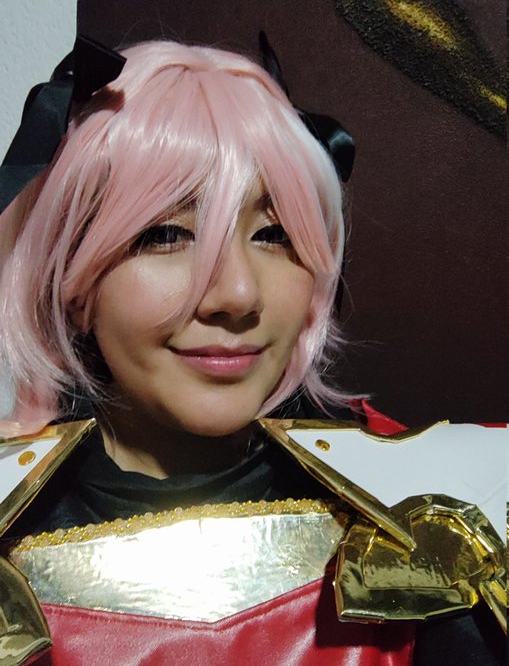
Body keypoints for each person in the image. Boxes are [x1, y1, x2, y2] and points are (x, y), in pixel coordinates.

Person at [0, 39, 503, 666]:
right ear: (71, 285)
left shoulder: (453, 506)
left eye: (274, 234)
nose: (237, 295)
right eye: (166, 234)